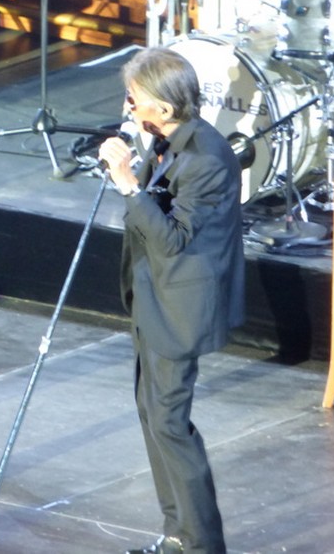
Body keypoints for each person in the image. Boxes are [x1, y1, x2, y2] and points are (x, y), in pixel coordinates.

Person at [98, 47, 245, 554]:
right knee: (151, 414)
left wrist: (128, 188)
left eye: (134, 98)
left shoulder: (206, 157)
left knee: (169, 422)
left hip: (180, 306)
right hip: (153, 296)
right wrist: (137, 157)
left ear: (163, 106)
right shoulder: (167, 137)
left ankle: (204, 544)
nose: (128, 104)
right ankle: (176, 534)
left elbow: (172, 239)